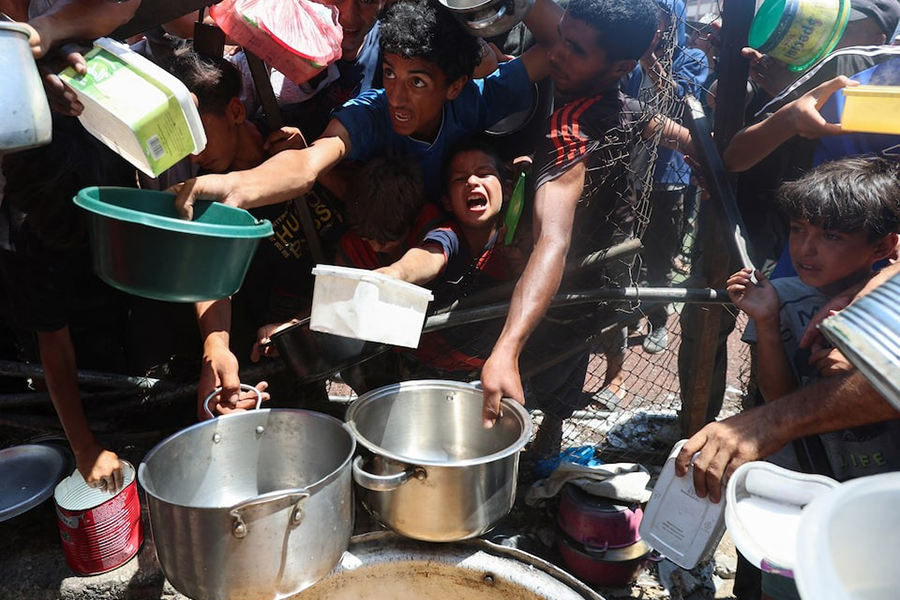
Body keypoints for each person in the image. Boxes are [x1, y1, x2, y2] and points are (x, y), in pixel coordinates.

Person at [171, 0, 561, 218]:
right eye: (389, 73)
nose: (396, 96)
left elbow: (556, 46)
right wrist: (236, 187)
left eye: (417, 82)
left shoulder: (475, 101)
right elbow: (308, 164)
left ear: (454, 87)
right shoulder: (370, 114)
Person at [479, 0, 659, 431]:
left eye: (574, 49)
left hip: (565, 285)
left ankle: (542, 441)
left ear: (620, 68)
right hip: (591, 276)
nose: (556, 53)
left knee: (545, 375)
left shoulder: (571, 130)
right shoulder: (621, 104)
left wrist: (507, 346)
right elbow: (662, 127)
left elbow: (552, 240)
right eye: (560, 36)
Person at [165, 48, 346, 417]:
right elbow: (210, 275)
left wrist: (313, 159)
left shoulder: (296, 130)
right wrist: (215, 347)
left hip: (348, 304)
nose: (194, 157)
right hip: (279, 337)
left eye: (199, 138)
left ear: (236, 111)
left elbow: (362, 202)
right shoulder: (205, 194)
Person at [625, 0, 708, 354]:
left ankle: (657, 321)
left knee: (658, 257)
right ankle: (625, 314)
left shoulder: (692, 59)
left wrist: (651, 63)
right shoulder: (625, 55)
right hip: (629, 175)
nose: (650, 26)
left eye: (657, 19)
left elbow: (680, 104)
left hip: (666, 178)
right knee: (624, 255)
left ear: (671, 23)